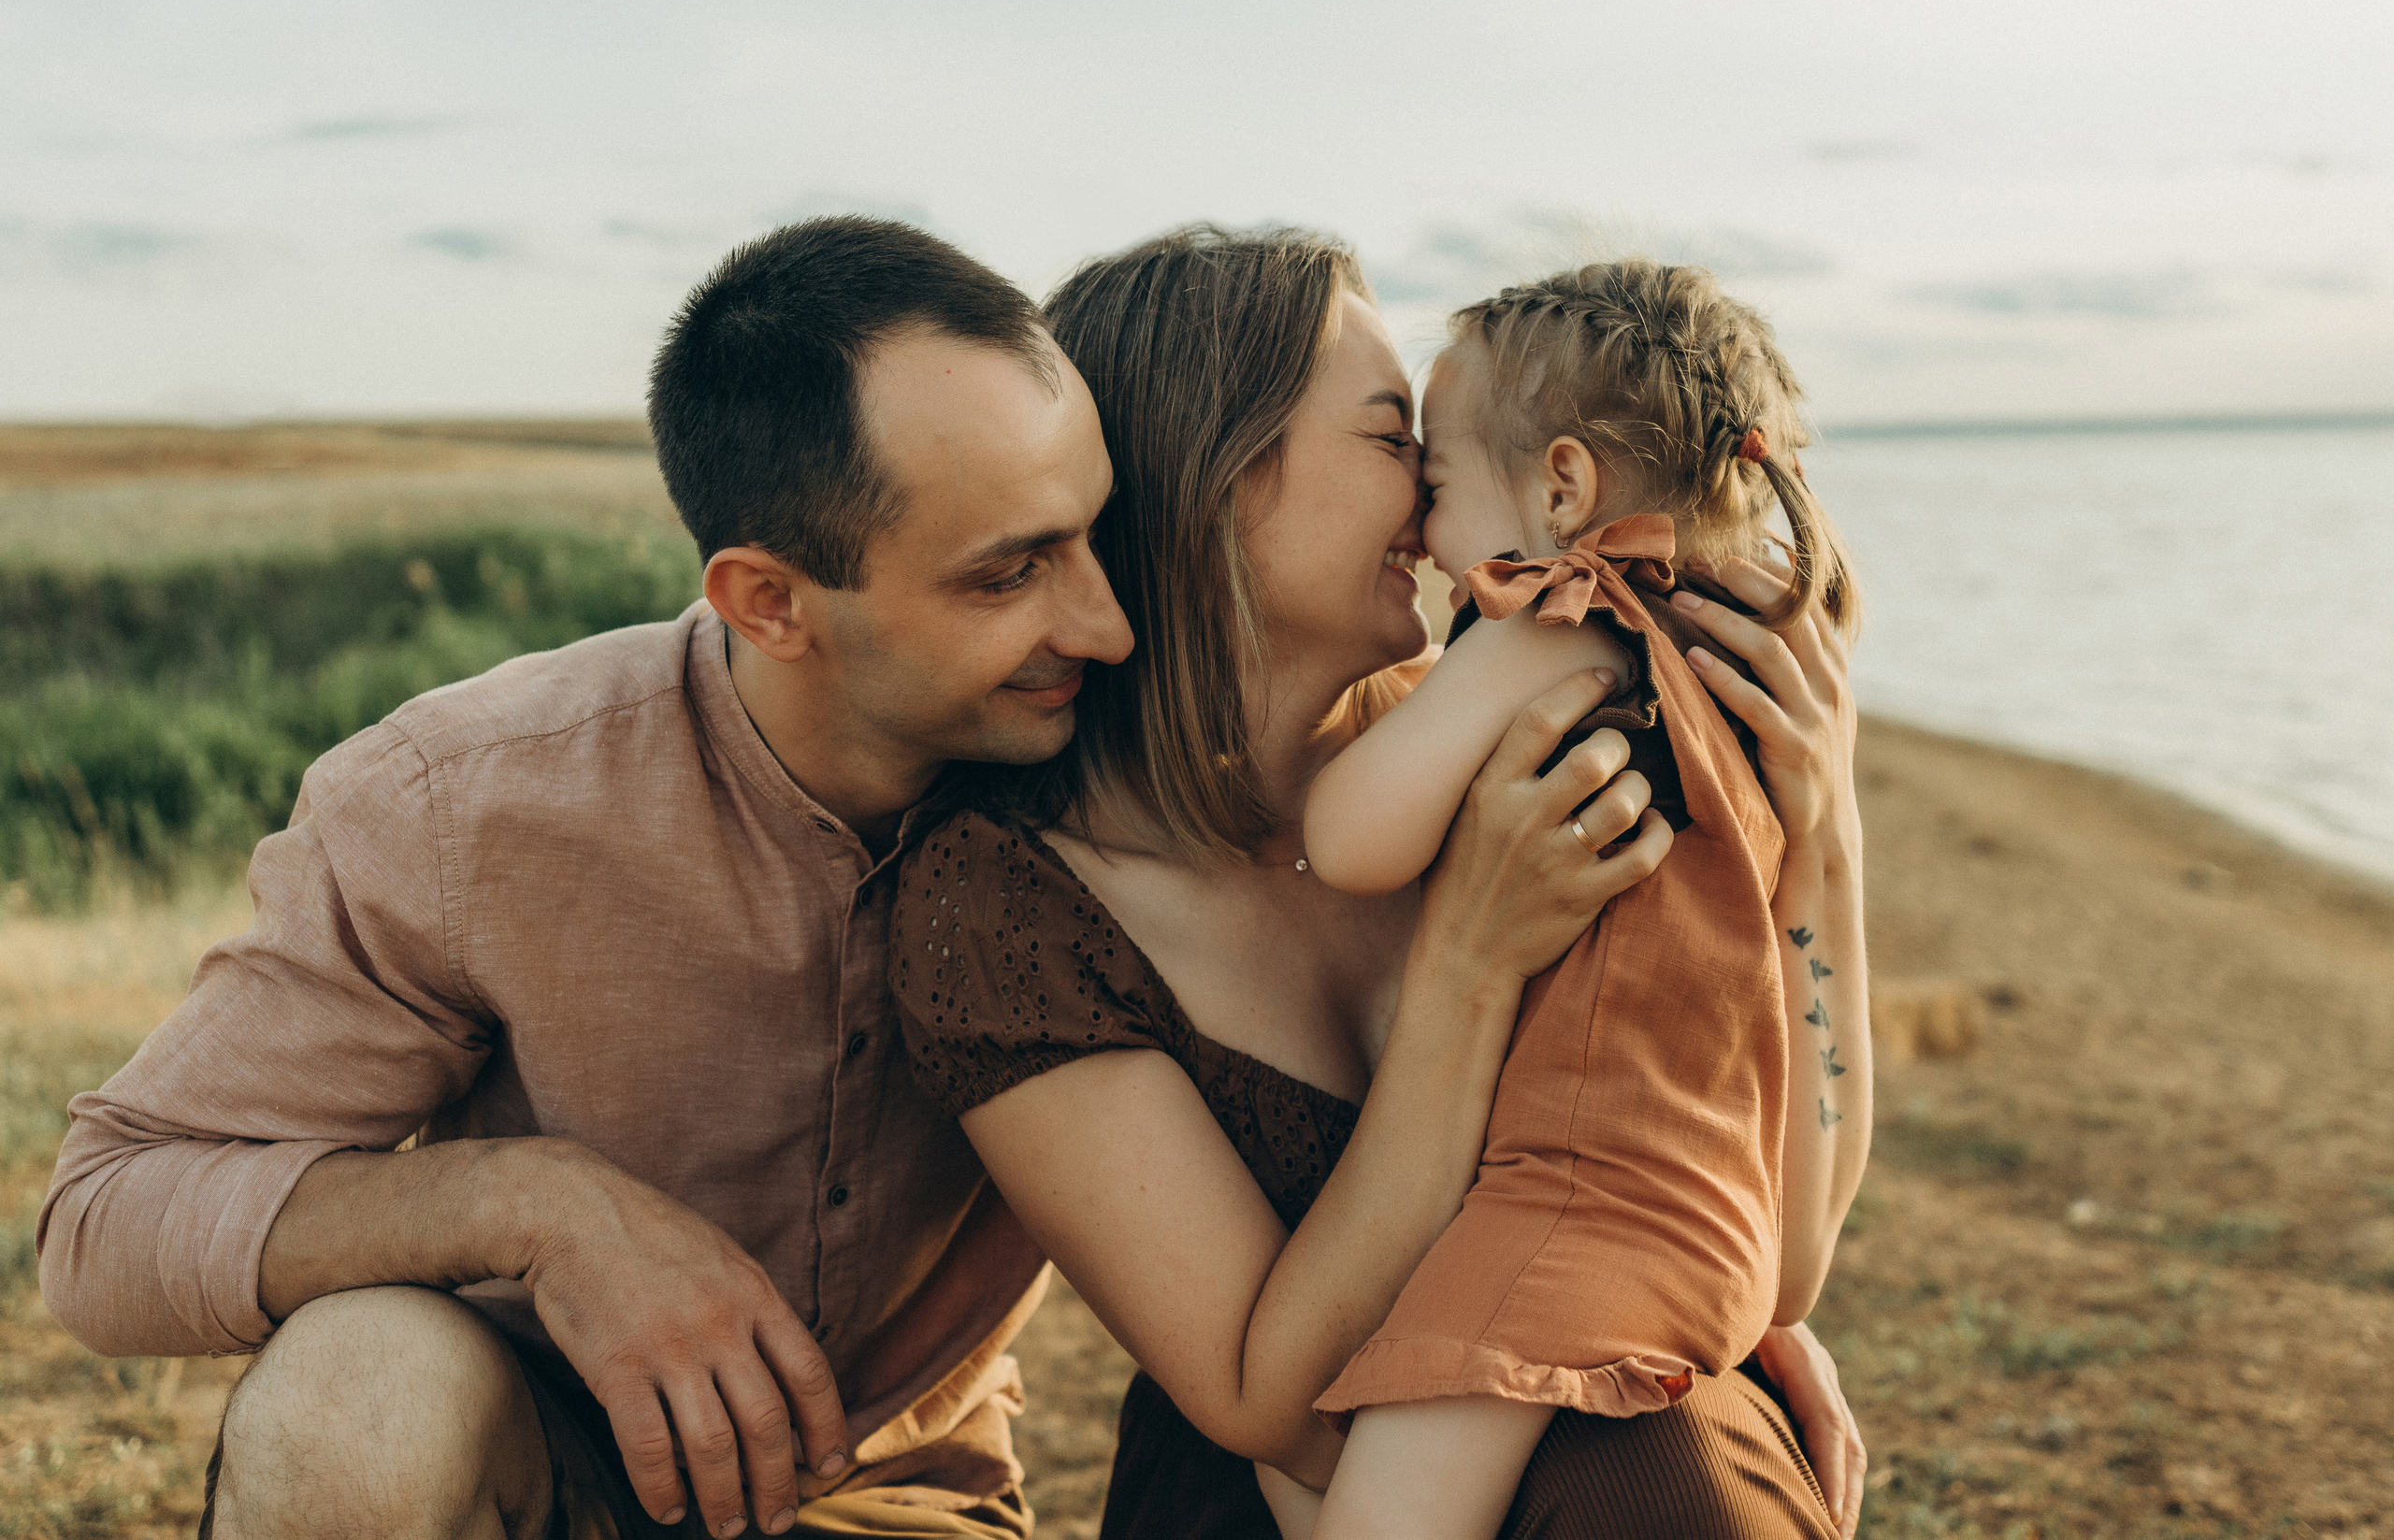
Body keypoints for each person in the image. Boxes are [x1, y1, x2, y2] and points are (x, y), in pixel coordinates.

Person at [39, 216, 1148, 1540]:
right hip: (540, 1480)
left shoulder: (1138, 773)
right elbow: (105, 1223)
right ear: (768, 603)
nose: (1105, 624)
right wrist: (539, 1205)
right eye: (1007, 575)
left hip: (915, 1504)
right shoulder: (462, 802)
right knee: (356, 1392)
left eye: (1097, 536)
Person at [889, 226, 1870, 1540]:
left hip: (1600, 1391)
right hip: (1281, 1477)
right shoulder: (1009, 905)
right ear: (1220, 480)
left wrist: (1822, 838)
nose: (1431, 490)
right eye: (1388, 436)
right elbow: (1260, 1397)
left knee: (1683, 1480)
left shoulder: (1499, 743)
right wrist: (1467, 964)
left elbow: (1774, 1218)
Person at [1296, 260, 1872, 1540]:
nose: (1420, 525)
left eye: (1435, 483)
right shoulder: (1741, 689)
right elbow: (1800, 1237)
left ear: (1562, 487)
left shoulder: (1553, 631)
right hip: (1724, 1244)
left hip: (1566, 1221)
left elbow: (1348, 840)